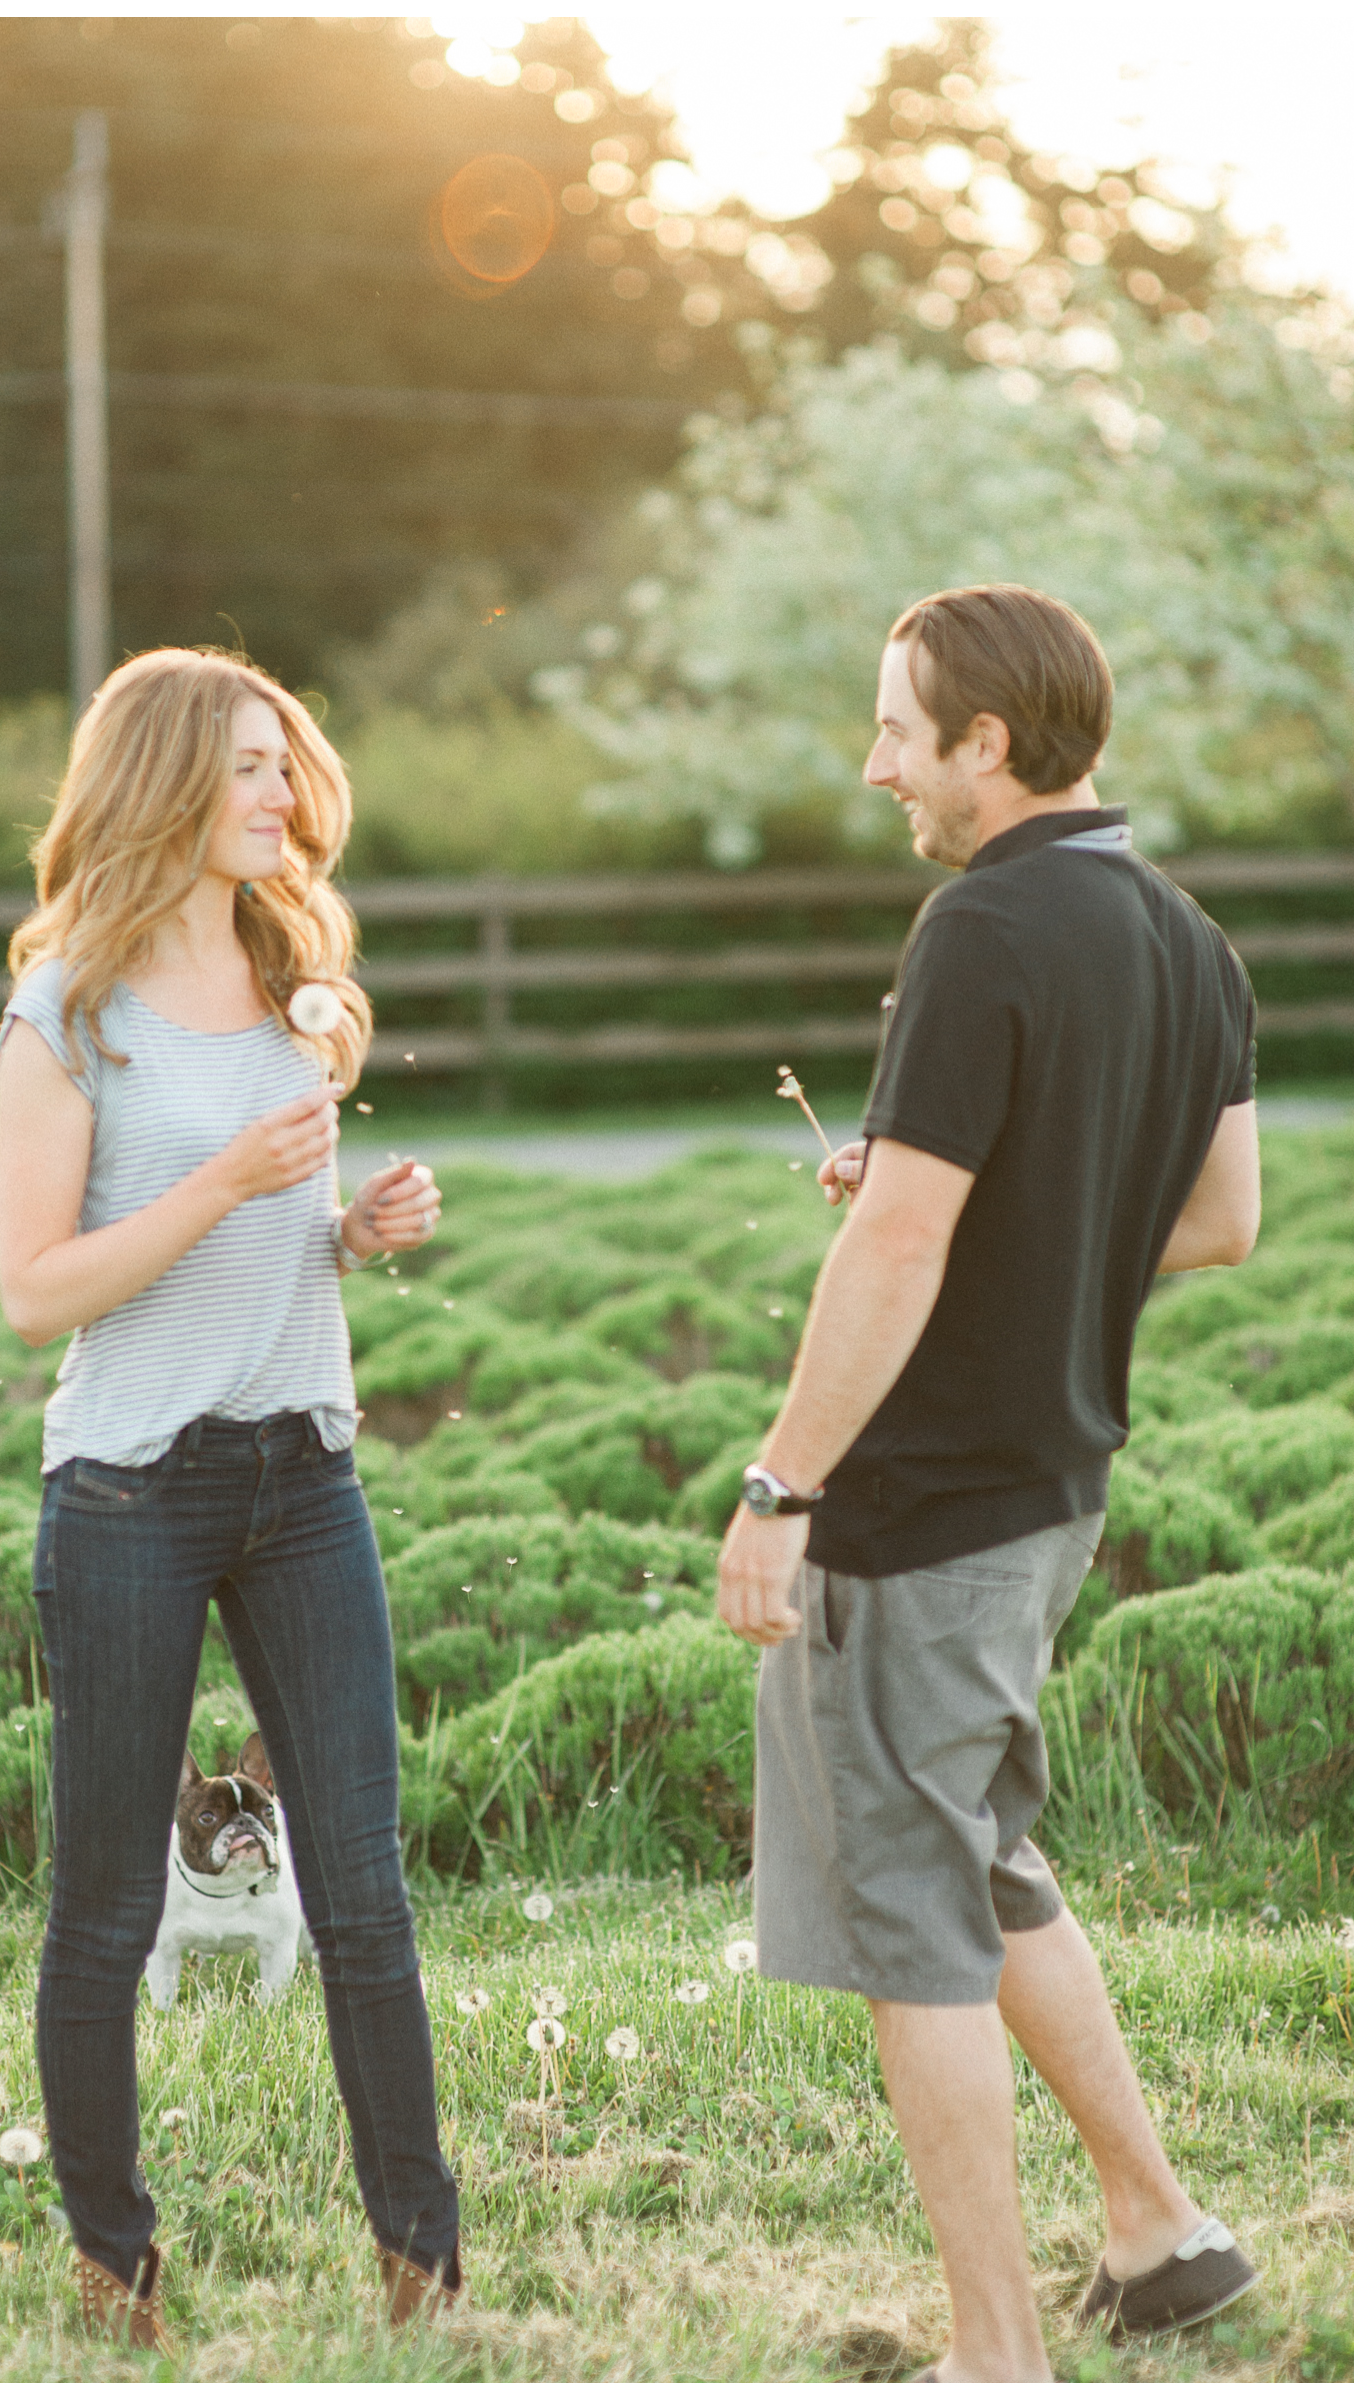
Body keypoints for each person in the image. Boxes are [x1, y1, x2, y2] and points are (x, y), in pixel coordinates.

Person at [716, 584, 1262, 2380]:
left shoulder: (979, 926)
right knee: (990, 1856)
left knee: (916, 1922)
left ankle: (995, 2357)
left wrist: (780, 1484)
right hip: (1055, 1490)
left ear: (987, 745)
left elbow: (897, 1255)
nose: (877, 765)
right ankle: (1160, 2233)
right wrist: (984, 1204)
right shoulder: (1190, 939)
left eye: (898, 729)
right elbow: (1218, 1221)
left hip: (924, 1505)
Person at [0, 646, 456, 2350]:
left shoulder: (293, 978)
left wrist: (353, 1227)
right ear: (167, 782)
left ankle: (425, 2268)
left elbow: (277, 1231)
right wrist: (228, 1176)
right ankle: (116, 2269)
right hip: (129, 1493)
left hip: (304, 1470)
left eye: (285, 765)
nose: (280, 792)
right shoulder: (70, 1014)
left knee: (364, 1891)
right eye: (248, 766)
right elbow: (40, 1291)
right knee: (108, 1910)